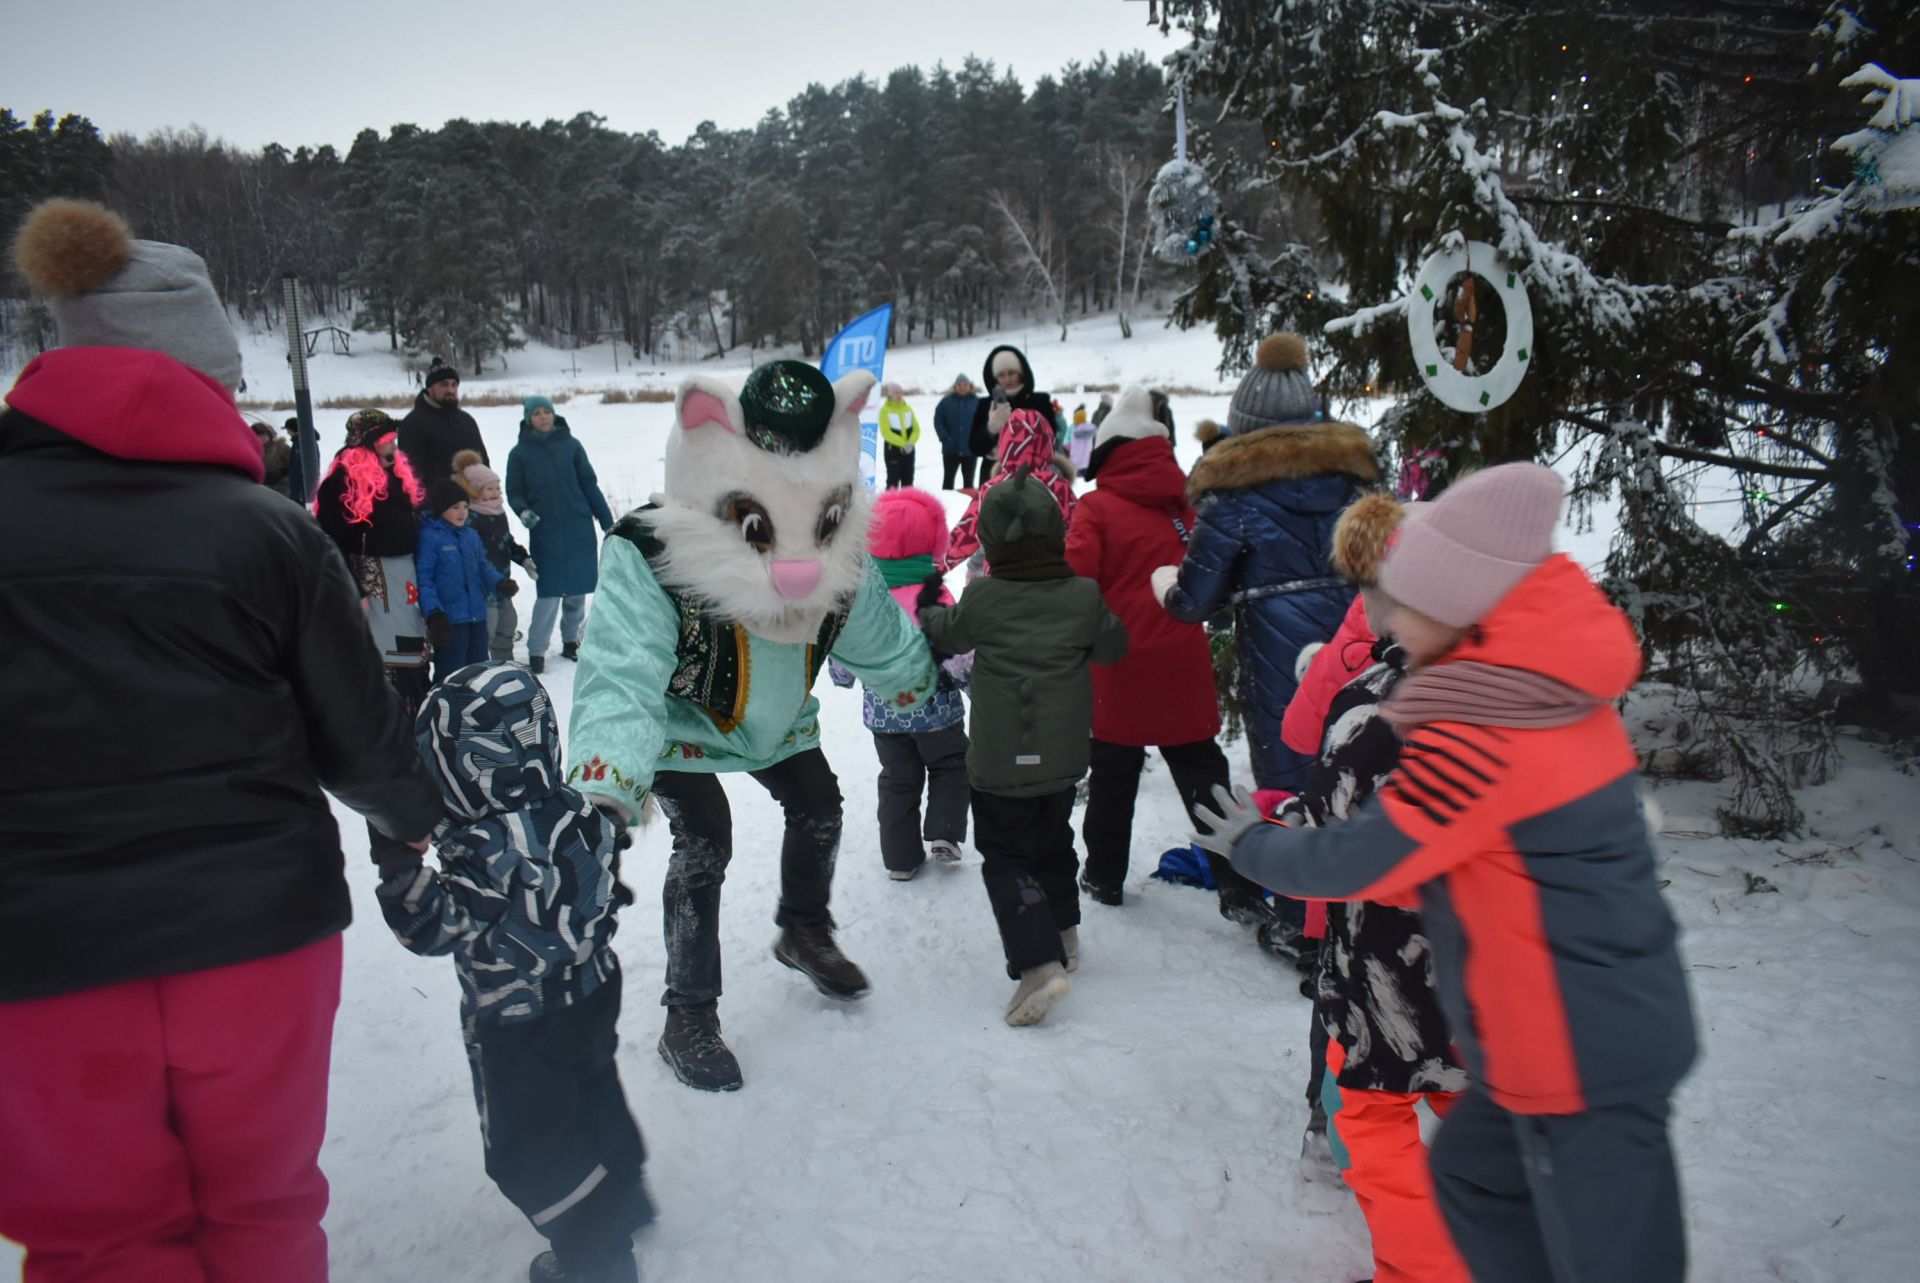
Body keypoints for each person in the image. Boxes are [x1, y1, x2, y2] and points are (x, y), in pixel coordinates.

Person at [0, 198, 444, 1283]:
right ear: (200, 376)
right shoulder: (265, 529)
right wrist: (424, 819)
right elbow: (361, 738)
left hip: (39, 946)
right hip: (258, 931)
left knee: (97, 1236)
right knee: (262, 1208)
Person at [1193, 463, 1697, 1283]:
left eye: (1403, 601)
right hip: (1570, 1029)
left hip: (1580, 1047)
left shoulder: (1486, 730)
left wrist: (1252, 845)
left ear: (1454, 610)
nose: (1384, 616)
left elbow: (1360, 853)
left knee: (1615, 1253)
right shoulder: (1548, 693)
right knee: (1471, 1173)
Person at [567, 361, 936, 1092]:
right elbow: (622, 667)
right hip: (684, 719)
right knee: (705, 839)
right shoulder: (651, 553)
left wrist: (921, 673)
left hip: (777, 716)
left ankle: (803, 928)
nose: (797, 569)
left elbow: (871, 628)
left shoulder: (838, 551)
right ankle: (688, 1014)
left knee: (819, 805)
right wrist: (607, 784)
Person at [375, 664, 651, 1283]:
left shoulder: (481, 851)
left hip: (518, 1018)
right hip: (594, 989)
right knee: (591, 1089)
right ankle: (624, 1191)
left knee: (527, 1149)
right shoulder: (581, 810)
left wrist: (397, 859)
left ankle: (598, 1256)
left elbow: (429, 928)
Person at [1277, 491, 1471, 1283]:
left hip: (1396, 960)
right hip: (1498, 954)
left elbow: (1346, 836)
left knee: (1373, 1113)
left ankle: (1426, 1271)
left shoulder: (1375, 708)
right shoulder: (1518, 686)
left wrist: (1284, 830)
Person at [920, 469, 1128, 1026]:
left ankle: (1037, 965)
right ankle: (1065, 935)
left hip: (998, 762)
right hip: (1061, 760)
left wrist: (926, 604)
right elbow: (1113, 647)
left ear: (991, 546)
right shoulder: (1082, 596)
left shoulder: (984, 597)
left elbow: (947, 633)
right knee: (1053, 840)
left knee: (1007, 855)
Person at [1065, 387, 1275, 928]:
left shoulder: (1096, 507)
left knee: (1113, 779)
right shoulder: (1185, 507)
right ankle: (1240, 885)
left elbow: (1076, 580)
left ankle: (1104, 878)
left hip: (1118, 665)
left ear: (1110, 452)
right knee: (1205, 777)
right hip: (1182, 660)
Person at [1152, 332, 1378, 799]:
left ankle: (1289, 863)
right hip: (1356, 645)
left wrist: (1167, 584)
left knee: (1289, 779)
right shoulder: (1358, 486)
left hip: (1278, 660)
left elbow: (1194, 602)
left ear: (1244, 425)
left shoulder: (1231, 500)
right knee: (1355, 763)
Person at [828, 487, 971, 880]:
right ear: (932, 541)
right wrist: (974, 683)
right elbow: (959, 655)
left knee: (897, 780)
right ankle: (943, 833)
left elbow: (846, 656)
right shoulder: (936, 595)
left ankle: (900, 860)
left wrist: (842, 675)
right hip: (938, 714)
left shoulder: (865, 602)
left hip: (885, 715)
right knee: (952, 765)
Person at [508, 395, 616, 674]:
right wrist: (523, 512)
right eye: (537, 413)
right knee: (548, 594)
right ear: (528, 419)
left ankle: (571, 641)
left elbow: (589, 484)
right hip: (546, 531)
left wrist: (607, 521)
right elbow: (514, 492)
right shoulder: (519, 454)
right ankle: (536, 651)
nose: (543, 417)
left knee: (577, 594)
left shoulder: (572, 446)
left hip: (578, 527)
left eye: (547, 412)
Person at [946, 407, 1075, 570]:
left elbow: (963, 538)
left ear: (1005, 443)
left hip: (1000, 580)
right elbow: (1078, 535)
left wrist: (930, 569)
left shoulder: (992, 489)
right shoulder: (1059, 488)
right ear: (1047, 441)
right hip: (1050, 579)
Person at [418, 477, 512, 683]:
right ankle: (444, 711)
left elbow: (483, 567)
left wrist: (499, 583)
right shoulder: (431, 537)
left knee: (479, 671)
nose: (462, 512)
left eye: (466, 507)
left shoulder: (471, 536)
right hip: (450, 621)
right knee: (451, 674)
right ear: (441, 508)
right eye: (455, 507)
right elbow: (425, 581)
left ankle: (476, 711)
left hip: (477, 615)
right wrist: (434, 613)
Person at [454, 449, 537, 662]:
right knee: (486, 630)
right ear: (473, 491)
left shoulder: (497, 512)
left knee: (508, 624)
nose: (496, 493)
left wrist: (524, 559)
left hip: (503, 583)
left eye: (497, 488)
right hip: (483, 587)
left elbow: (506, 541)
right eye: (489, 489)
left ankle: (505, 665)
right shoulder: (470, 516)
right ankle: (480, 667)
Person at [968, 344, 1063, 482]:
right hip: (993, 476)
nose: (1007, 379)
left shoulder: (1039, 402)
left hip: (1032, 474)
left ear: (1021, 373)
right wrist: (991, 428)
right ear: (995, 378)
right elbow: (975, 448)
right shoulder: (986, 405)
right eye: (1001, 375)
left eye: (1011, 373)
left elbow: (1051, 440)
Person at [398, 355, 487, 489]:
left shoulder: (467, 420)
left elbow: (484, 462)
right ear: (430, 389)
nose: (450, 390)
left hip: (475, 503)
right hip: (437, 505)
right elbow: (411, 473)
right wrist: (427, 506)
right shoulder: (414, 423)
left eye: (454, 384)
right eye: (444, 385)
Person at [932, 373, 980, 490]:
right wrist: (945, 438)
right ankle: (946, 506)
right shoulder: (945, 402)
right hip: (950, 450)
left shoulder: (978, 402)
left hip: (970, 451)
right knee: (948, 481)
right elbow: (938, 421)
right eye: (959, 384)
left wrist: (978, 440)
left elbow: (984, 423)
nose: (962, 387)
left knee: (969, 483)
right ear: (955, 386)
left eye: (965, 384)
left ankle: (969, 506)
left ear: (970, 386)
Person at [876, 381, 921, 489]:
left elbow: (917, 429)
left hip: (909, 451)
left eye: (900, 392)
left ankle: (907, 505)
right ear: (890, 395)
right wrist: (903, 444)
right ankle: (890, 505)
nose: (898, 395)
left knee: (908, 482)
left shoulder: (908, 409)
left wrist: (910, 443)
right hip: (893, 452)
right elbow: (886, 432)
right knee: (892, 482)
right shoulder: (884, 411)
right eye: (895, 393)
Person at [250, 416, 292, 497]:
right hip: (258, 492)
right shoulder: (250, 450)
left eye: (263, 435)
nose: (261, 438)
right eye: (257, 435)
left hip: (281, 491)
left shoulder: (281, 448)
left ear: (269, 435)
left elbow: (292, 471)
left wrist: (279, 483)